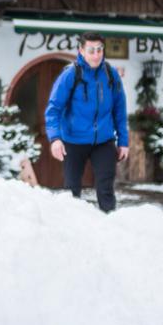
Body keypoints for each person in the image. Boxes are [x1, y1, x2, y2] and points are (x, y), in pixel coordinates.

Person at [44, 32, 129, 213]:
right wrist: (55, 139)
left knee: (106, 188)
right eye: (91, 50)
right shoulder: (70, 75)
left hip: (104, 141)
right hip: (73, 141)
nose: (96, 54)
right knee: (71, 190)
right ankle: (71, 229)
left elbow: (120, 110)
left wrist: (123, 141)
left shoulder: (111, 74)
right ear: (81, 51)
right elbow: (53, 110)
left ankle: (110, 225)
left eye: (99, 50)